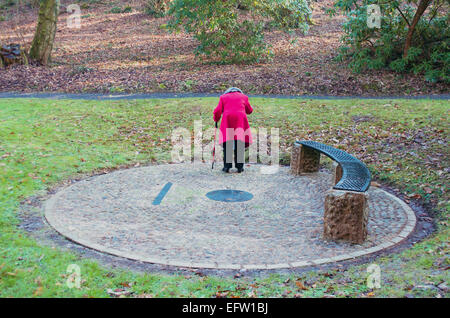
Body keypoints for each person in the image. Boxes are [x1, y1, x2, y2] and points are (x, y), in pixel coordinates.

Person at [213, 87, 253, 173]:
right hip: (240, 122)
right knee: (239, 142)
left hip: (227, 122)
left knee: (228, 142)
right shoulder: (244, 97)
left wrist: (216, 119)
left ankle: (227, 167)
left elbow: (217, 111)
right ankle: (240, 167)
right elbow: (249, 111)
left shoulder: (223, 97)